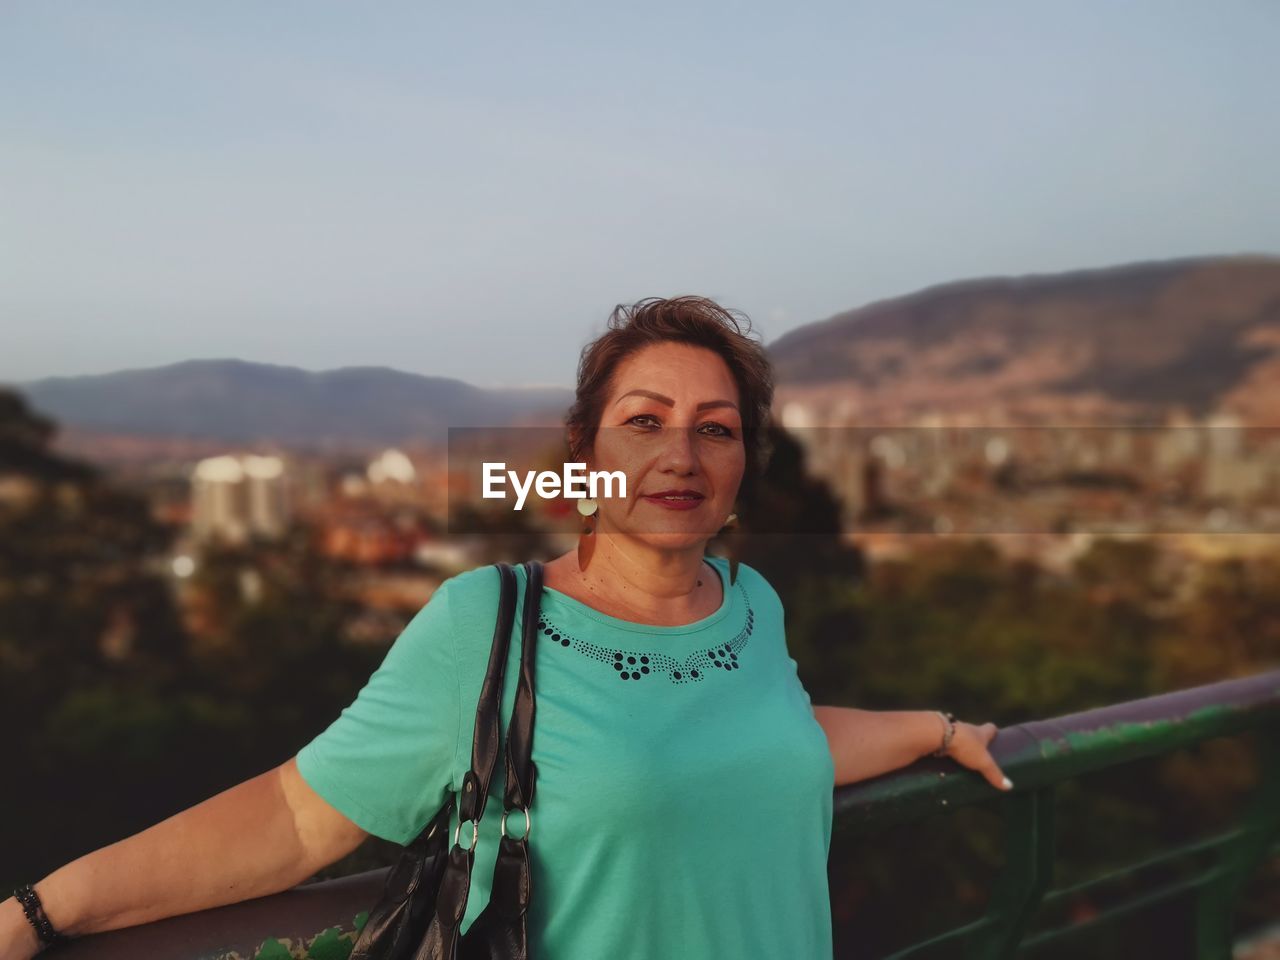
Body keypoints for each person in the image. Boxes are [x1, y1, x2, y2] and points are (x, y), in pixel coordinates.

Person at [1, 296, 1011, 959]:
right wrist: (46, 912)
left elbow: (768, 737)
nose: (681, 454)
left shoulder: (749, 604)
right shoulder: (487, 622)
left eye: (716, 428)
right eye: (644, 420)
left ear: (743, 464)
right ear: (583, 452)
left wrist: (933, 729)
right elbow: (296, 818)